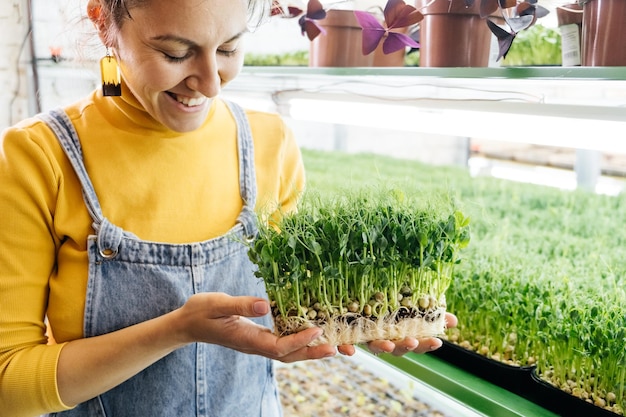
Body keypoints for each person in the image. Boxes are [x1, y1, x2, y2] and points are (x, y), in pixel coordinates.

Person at [0, 0, 458, 416]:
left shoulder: (269, 142)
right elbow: (8, 383)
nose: (211, 83)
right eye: (176, 53)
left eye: (229, 48)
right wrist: (176, 329)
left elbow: (297, 311)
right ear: (105, 25)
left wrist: (358, 323)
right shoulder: (38, 156)